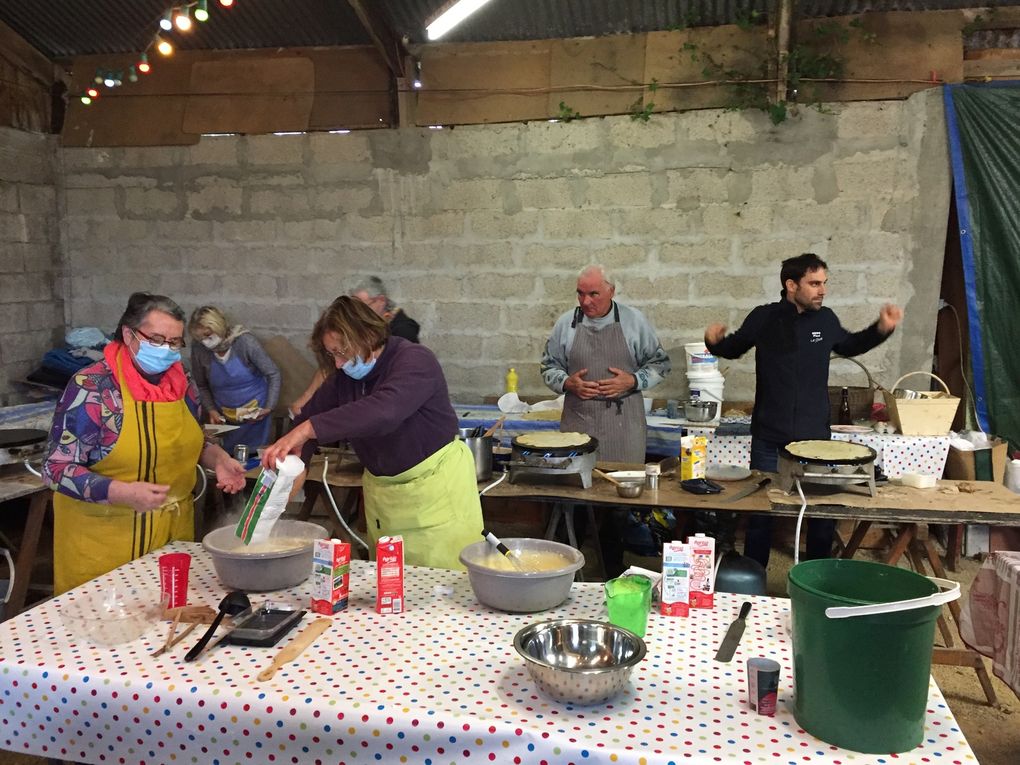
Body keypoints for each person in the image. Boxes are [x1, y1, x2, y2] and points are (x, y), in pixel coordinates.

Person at [705, 253, 904, 568]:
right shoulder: (764, 317)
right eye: (814, 284)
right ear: (790, 284)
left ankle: (817, 574)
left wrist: (882, 328)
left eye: (824, 283)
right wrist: (714, 343)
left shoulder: (825, 320)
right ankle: (753, 575)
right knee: (763, 510)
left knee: (820, 514)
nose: (822, 290)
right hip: (770, 437)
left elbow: (850, 345)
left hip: (815, 438)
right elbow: (735, 347)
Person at [43, 292, 247, 594]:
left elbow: (195, 440)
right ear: (129, 334)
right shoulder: (92, 388)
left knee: (171, 629)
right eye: (156, 339)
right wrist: (120, 491)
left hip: (171, 541)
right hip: (105, 548)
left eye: (174, 342)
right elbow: (56, 469)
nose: (166, 349)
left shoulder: (183, 383)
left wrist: (218, 459)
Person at [261, 295, 482, 570]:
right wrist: (295, 460)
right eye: (332, 355)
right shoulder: (344, 381)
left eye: (342, 351)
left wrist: (310, 430)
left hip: (436, 493)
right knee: (391, 586)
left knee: (440, 586)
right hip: (386, 498)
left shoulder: (414, 360)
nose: (339, 364)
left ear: (367, 335)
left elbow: (384, 411)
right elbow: (309, 415)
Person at [540, 264, 671, 463]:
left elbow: (661, 364)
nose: (586, 301)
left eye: (594, 294)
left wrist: (633, 380)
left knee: (621, 483)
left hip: (624, 425)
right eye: (580, 294)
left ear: (611, 291)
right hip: (578, 424)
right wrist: (567, 383)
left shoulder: (634, 321)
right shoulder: (565, 324)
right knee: (577, 485)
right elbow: (548, 366)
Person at [290, 276, 419, 415]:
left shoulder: (404, 336)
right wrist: (307, 399)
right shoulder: (344, 367)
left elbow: (382, 411)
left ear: (381, 301)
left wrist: (310, 428)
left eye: (362, 305)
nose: (355, 312)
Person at [188, 306, 282, 454]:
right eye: (200, 338)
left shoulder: (245, 342)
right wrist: (212, 410)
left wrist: (269, 407)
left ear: (219, 327)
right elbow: (201, 385)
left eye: (208, 335)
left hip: (255, 410)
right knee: (229, 457)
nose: (205, 342)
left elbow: (273, 374)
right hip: (226, 414)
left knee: (257, 456)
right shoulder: (199, 349)